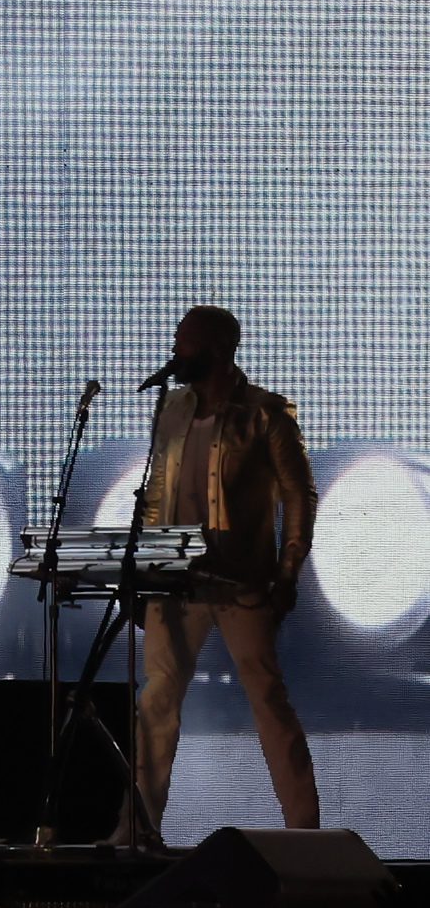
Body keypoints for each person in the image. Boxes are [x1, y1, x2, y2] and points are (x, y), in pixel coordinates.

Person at [127, 304, 320, 843]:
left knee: (267, 698)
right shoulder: (171, 408)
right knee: (157, 699)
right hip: (175, 579)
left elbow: (299, 494)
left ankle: (307, 833)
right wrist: (144, 567)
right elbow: (156, 495)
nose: (175, 351)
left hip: (242, 581)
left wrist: (288, 569)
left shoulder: (266, 413)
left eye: (184, 342)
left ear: (216, 350)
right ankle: (137, 828)